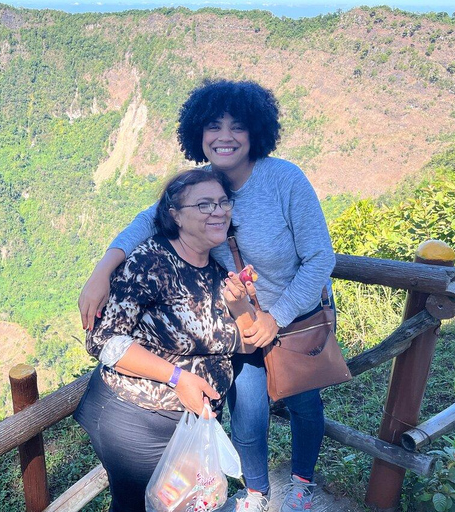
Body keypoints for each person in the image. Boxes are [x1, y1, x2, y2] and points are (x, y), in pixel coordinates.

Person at [78, 79, 336, 512]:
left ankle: (301, 484)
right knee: (247, 412)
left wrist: (281, 315)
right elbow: (147, 220)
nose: (225, 137)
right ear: (198, 133)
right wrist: (103, 270)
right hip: (236, 325)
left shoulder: (283, 180)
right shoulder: (203, 187)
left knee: (303, 403)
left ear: (256, 131)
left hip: (293, 319)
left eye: (238, 126)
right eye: (214, 126)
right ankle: (255, 492)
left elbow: (319, 259)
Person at [74, 169, 253, 512]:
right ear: (175, 215)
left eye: (222, 202)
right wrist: (178, 377)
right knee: (137, 507)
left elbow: (245, 342)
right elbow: (104, 340)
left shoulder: (216, 269)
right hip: (136, 419)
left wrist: (241, 305)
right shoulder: (150, 262)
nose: (218, 211)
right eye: (203, 205)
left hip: (188, 424)